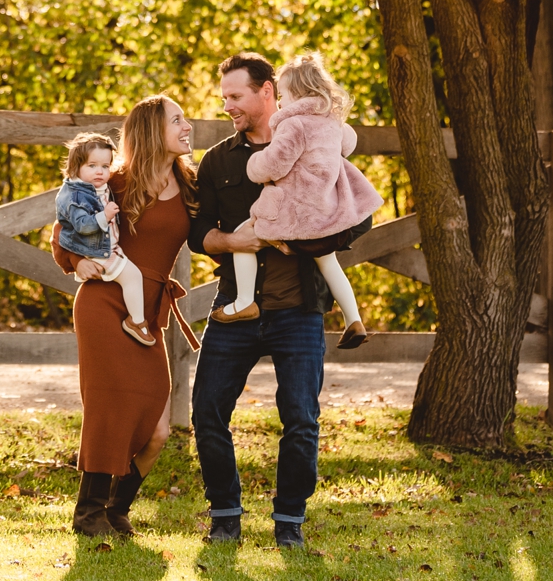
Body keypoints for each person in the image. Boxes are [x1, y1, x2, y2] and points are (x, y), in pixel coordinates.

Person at [189, 52, 334, 550]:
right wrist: (234, 242)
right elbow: (198, 234)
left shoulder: (315, 143)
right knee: (207, 410)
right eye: (224, 96)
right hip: (235, 306)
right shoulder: (218, 161)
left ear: (268, 90)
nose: (227, 104)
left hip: (298, 310)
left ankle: (289, 520)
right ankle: (225, 514)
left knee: (300, 417)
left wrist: (298, 238)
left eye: (236, 96)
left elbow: (350, 217)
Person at [52, 94, 200, 539]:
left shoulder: (191, 183)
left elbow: (213, 233)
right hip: (103, 303)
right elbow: (64, 229)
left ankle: (117, 509)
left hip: (147, 313)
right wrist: (75, 263)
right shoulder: (112, 181)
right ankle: (88, 512)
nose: (187, 125)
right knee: (109, 407)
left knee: (157, 426)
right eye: (177, 119)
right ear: (154, 130)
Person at [211, 54, 382, 346]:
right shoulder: (332, 123)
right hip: (324, 216)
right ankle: (353, 319)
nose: (280, 102)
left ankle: (243, 302)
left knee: (243, 237)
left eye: (284, 95)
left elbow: (273, 165)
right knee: (329, 265)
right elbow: (347, 145)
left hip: (294, 214)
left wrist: (253, 166)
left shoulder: (293, 125)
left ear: (298, 95)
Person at [55, 132, 153, 345]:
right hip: (96, 252)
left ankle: (136, 319)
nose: (100, 171)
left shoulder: (98, 185)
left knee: (132, 278)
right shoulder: (75, 195)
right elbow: (81, 225)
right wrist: (105, 215)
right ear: (76, 167)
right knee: (132, 277)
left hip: (107, 247)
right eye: (92, 166)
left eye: (105, 166)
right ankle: (137, 322)